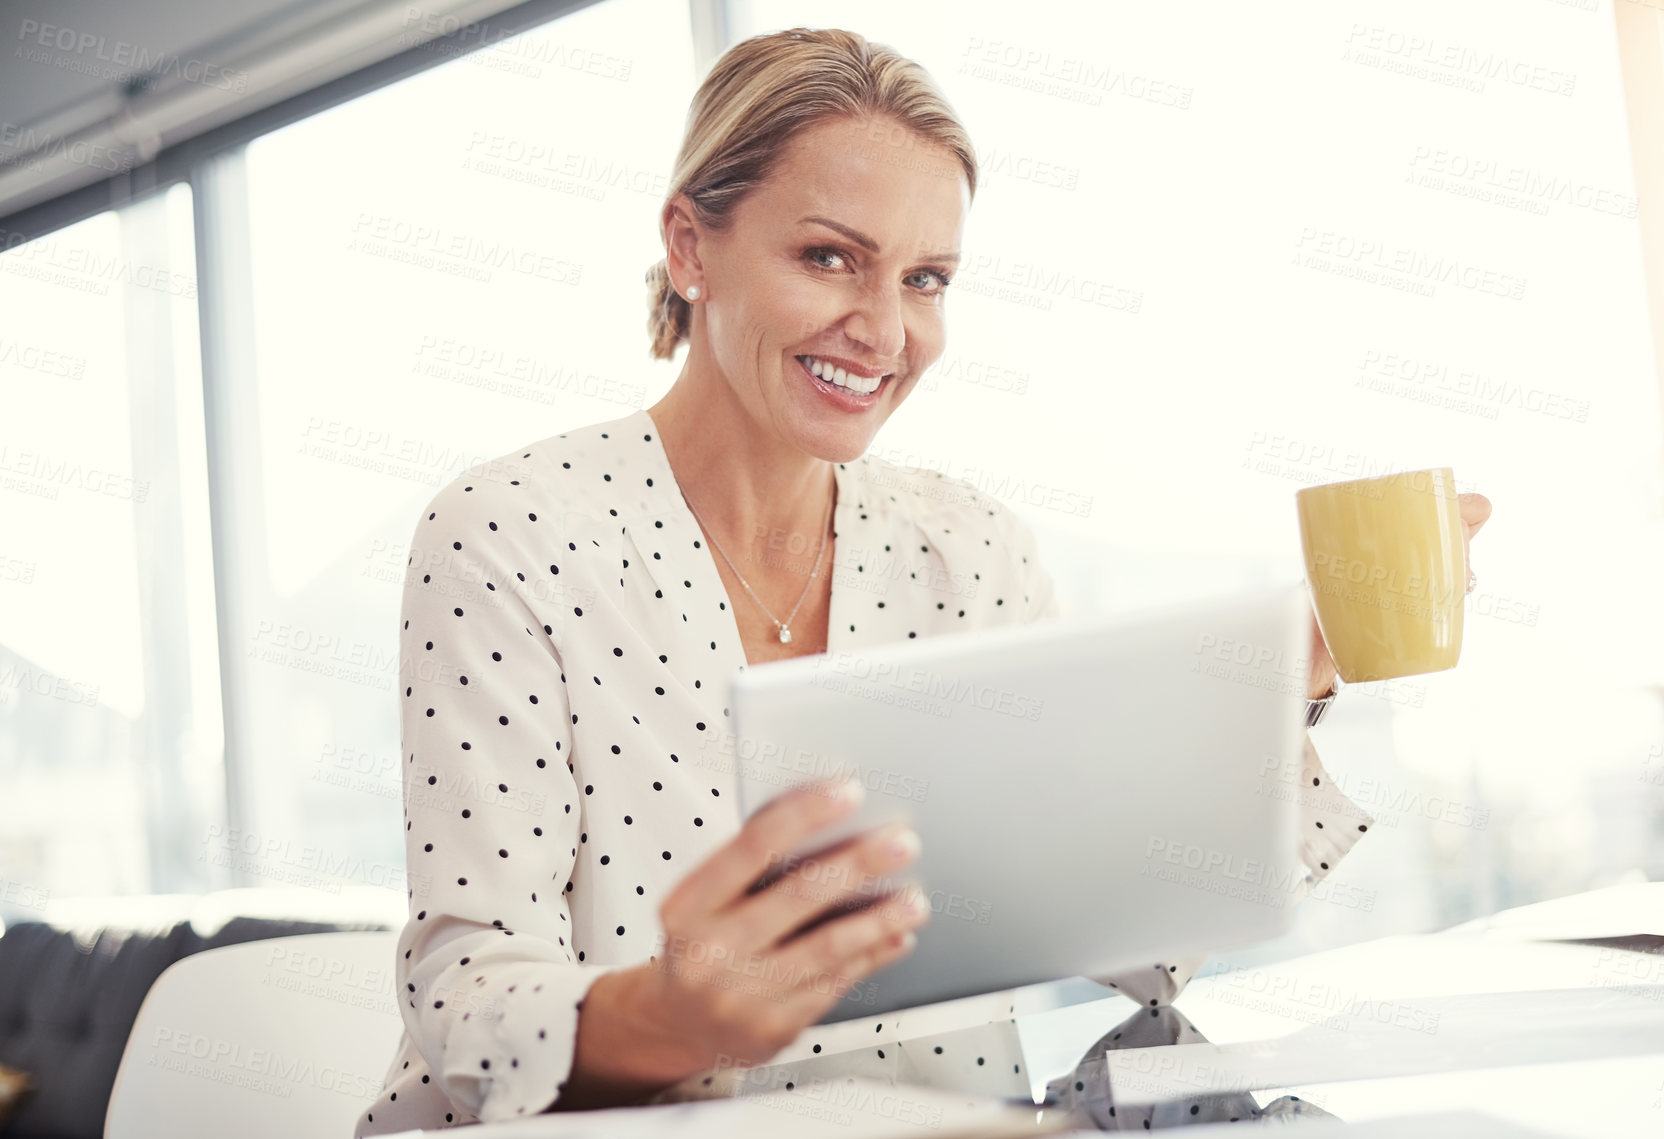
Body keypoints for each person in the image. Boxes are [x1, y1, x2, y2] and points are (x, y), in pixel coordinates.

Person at [355, 26, 1491, 1135]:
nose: (883, 329)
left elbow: (1125, 937)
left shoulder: (967, 547)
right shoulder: (511, 533)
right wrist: (676, 1011)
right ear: (691, 249)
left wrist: (1288, 674)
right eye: (828, 257)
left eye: (926, 278)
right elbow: (465, 996)